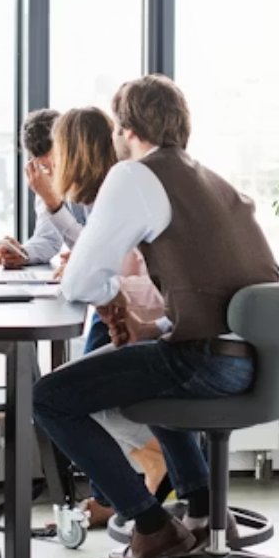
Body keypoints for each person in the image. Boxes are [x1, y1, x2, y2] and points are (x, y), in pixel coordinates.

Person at [33, 75, 279, 558]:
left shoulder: (136, 175)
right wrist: (153, 327)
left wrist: (110, 297)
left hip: (208, 360)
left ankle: (151, 526)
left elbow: (79, 284)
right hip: (254, 358)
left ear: (125, 129)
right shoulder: (209, 178)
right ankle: (205, 506)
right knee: (148, 363)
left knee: (48, 398)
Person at [45, 106, 169, 527]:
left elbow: (135, 281)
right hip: (153, 319)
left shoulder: (119, 195)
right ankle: (149, 475)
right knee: (85, 377)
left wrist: (101, 283)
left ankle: (139, 491)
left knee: (60, 397)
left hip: (156, 323)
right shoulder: (113, 193)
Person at [0, 108, 86, 269]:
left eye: (56, 161)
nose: (52, 173)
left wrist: (54, 204)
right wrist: (23, 253)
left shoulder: (96, 178)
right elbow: (48, 239)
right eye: (44, 166)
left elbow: (94, 250)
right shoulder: (46, 180)